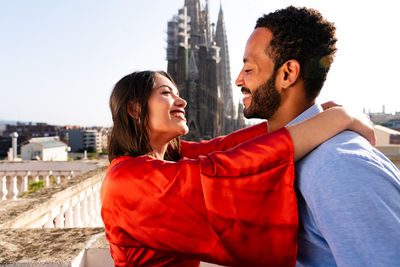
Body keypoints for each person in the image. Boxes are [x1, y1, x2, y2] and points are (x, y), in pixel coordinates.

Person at [101, 70, 375, 267]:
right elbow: (230, 168)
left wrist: (309, 119)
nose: (182, 101)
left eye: (178, 94)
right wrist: (341, 118)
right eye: (165, 93)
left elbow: (227, 145)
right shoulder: (125, 179)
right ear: (134, 110)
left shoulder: (168, 156)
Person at [235, 6, 400, 267]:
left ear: (287, 74)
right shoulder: (302, 156)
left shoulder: (338, 168)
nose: (238, 80)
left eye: (249, 69)